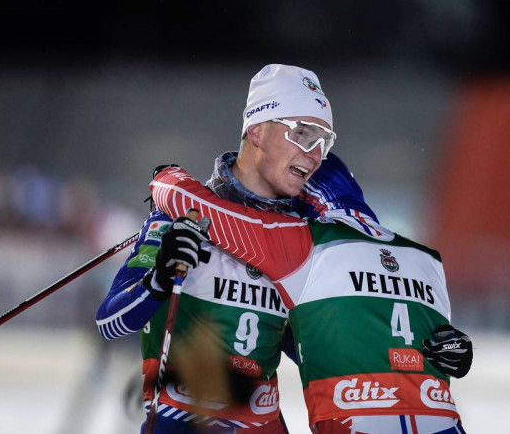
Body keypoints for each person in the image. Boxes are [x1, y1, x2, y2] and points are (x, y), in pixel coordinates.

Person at [150, 153, 472, 434]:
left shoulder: (303, 242)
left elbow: (196, 204)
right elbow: (400, 345)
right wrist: (454, 350)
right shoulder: (424, 257)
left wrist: (165, 176)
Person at [96, 64, 337, 433]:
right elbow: (110, 322)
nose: (315, 154)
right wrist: (159, 277)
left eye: (324, 141)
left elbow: (315, 353)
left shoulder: (301, 235)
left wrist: (420, 352)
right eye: (303, 134)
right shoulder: (182, 216)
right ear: (257, 130)